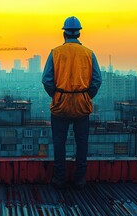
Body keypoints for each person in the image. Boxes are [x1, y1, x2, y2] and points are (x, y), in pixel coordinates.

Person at [42, 16, 102, 189]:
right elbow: (97, 80)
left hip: (60, 104)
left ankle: (59, 179)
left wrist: (57, 95)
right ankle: (80, 179)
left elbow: (47, 80)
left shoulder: (56, 52)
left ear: (64, 33)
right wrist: (86, 95)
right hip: (82, 104)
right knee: (82, 142)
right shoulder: (89, 53)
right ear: (79, 33)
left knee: (59, 142)